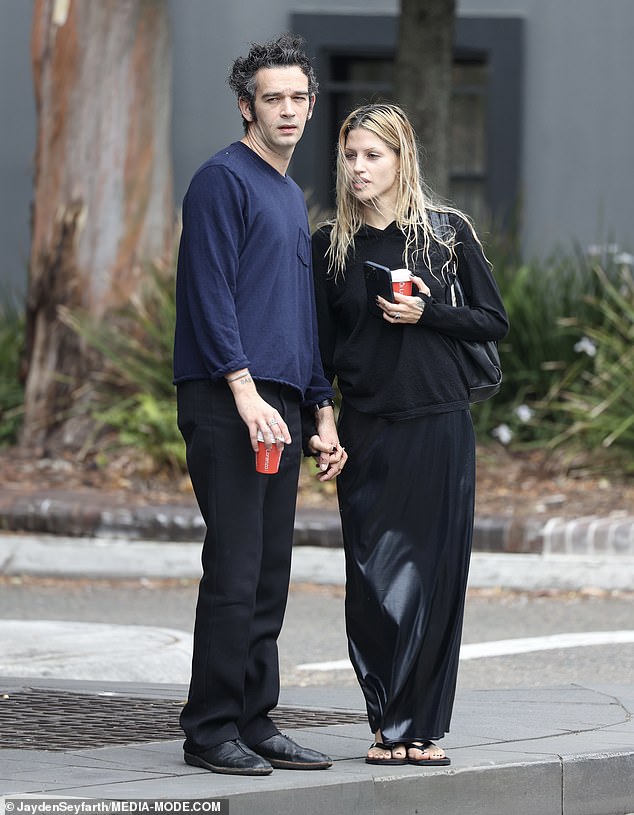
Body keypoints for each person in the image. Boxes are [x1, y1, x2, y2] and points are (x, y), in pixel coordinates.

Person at [311, 103, 508, 767]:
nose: (358, 167)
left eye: (372, 155)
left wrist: (427, 311)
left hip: (440, 424)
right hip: (367, 429)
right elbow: (320, 351)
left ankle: (419, 727)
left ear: (401, 161)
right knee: (370, 582)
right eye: (351, 155)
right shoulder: (329, 245)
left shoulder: (445, 234)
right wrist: (325, 423)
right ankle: (386, 717)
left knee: (435, 578)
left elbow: (492, 321)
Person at [173, 34, 347, 777]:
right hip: (226, 396)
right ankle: (210, 727)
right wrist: (243, 392)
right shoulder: (223, 180)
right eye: (271, 97)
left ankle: (254, 716)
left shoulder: (284, 192)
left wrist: (321, 411)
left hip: (278, 399)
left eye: (298, 97)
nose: (286, 109)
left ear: (311, 106)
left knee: (270, 569)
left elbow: (299, 318)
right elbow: (209, 293)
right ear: (247, 105)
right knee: (236, 567)